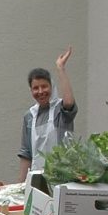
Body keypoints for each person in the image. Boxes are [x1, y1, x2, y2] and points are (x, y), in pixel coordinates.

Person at [18, 46, 77, 182]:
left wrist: (60, 68)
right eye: (35, 88)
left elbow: (69, 102)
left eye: (44, 86)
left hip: (62, 178)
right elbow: (26, 154)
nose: (40, 91)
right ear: (31, 90)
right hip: (37, 180)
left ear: (51, 86)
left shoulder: (60, 111)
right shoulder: (29, 116)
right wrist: (20, 186)